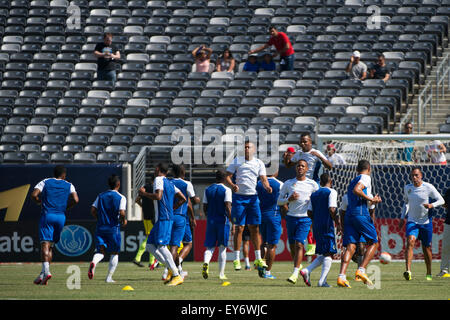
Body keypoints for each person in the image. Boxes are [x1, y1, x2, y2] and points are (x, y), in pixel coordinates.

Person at [226, 141, 273, 277]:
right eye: (245, 147)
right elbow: (227, 176)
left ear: (254, 150)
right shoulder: (237, 160)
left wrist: (267, 186)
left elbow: (263, 178)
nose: (246, 149)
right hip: (239, 198)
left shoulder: (259, 163)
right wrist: (232, 185)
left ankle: (258, 258)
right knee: (239, 228)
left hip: (253, 198)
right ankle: (236, 258)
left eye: (249, 147)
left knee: (255, 228)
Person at [139, 163, 187, 287]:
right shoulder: (170, 183)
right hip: (163, 218)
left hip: (163, 218)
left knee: (161, 247)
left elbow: (158, 196)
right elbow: (183, 198)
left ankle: (176, 275)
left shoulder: (158, 179)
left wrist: (144, 194)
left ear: (157, 169)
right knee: (149, 246)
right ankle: (171, 268)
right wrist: (172, 208)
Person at [31, 165, 79, 285]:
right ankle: (42, 275)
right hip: (61, 217)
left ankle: (47, 271)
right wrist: (65, 207)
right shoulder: (69, 184)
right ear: (64, 175)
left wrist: (39, 202)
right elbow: (76, 200)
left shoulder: (45, 181)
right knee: (51, 246)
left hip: (48, 215)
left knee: (45, 244)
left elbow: (34, 195)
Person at [337, 160, 382, 288]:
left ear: (357, 169)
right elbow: (358, 190)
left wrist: (372, 201)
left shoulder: (352, 181)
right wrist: (371, 199)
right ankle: (361, 270)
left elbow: (355, 192)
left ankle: (341, 277)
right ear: (369, 169)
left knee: (351, 247)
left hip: (350, 216)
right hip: (360, 214)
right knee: (374, 242)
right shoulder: (365, 178)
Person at [398, 168, 445, 281]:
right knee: (410, 241)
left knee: (426, 248)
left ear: (421, 176)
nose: (414, 178)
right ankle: (408, 271)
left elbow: (441, 200)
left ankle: (428, 272)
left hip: (425, 222)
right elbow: (406, 203)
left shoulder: (428, 187)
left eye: (416, 175)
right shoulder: (408, 188)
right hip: (412, 220)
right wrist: (402, 217)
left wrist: (431, 205)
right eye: (412, 176)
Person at [277, 160, 319, 284]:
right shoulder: (288, 183)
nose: (300, 167)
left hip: (305, 218)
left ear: (307, 169)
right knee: (292, 246)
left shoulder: (312, 184)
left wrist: (313, 205)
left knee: (299, 244)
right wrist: (288, 199)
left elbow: (318, 200)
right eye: (298, 165)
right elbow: (279, 201)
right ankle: (299, 267)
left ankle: (295, 273)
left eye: (303, 166)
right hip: (291, 217)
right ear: (296, 168)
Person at [300, 173, 340, 287]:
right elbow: (332, 209)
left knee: (325, 252)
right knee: (329, 253)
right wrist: (338, 222)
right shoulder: (331, 192)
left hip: (317, 225)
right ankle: (322, 281)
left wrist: (317, 219)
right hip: (327, 225)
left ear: (320, 183)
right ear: (330, 181)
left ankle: (307, 270)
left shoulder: (314, 194)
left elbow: (309, 212)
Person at [88, 175, 127, 283]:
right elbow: (122, 212)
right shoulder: (121, 197)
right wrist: (123, 220)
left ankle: (94, 263)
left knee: (101, 250)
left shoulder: (101, 195)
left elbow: (92, 210)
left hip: (100, 227)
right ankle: (109, 278)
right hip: (113, 228)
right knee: (115, 252)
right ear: (118, 184)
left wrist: (99, 218)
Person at [164, 164, 199, 279]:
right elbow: (191, 202)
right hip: (180, 217)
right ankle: (173, 270)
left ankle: (176, 269)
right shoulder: (187, 184)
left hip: (167, 217)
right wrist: (197, 201)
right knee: (187, 244)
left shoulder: (167, 183)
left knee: (169, 246)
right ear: (183, 173)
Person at [202, 170, 233, 280]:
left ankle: (206, 262)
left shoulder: (207, 189)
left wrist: (209, 216)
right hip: (222, 222)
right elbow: (228, 207)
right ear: (225, 179)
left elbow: (204, 207)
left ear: (216, 177)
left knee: (209, 247)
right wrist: (233, 222)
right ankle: (221, 274)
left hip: (211, 220)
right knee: (222, 248)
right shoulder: (227, 190)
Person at [339, 192, 376, 281]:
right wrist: (342, 226)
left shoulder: (369, 196)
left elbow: (372, 212)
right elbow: (342, 212)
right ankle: (342, 274)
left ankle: (359, 273)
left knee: (361, 247)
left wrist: (371, 226)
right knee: (349, 248)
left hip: (363, 223)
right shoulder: (346, 197)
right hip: (351, 224)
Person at [256, 170, 283, 279]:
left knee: (264, 243)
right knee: (272, 245)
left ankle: (261, 267)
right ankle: (267, 272)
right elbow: (283, 201)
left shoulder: (259, 183)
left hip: (261, 215)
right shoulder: (280, 184)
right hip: (274, 215)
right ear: (276, 171)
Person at [133, 175, 157, 269]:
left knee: (150, 238)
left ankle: (150, 262)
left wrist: (143, 206)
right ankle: (142, 259)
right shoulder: (155, 189)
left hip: (146, 217)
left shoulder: (145, 187)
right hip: (153, 217)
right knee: (151, 239)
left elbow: (137, 200)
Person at [437, 188, 450, 277]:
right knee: (446, 247)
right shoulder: (449, 191)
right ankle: (444, 270)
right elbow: (445, 204)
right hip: (449, 222)